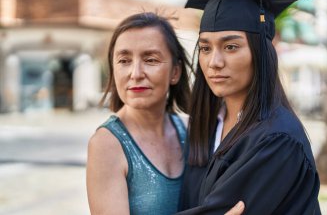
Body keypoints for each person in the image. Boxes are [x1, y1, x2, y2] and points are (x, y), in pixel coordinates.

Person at [177, 0, 321, 214]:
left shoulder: (277, 139)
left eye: (231, 47)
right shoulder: (208, 125)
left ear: (260, 52)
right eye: (205, 48)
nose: (214, 62)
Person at [86, 12, 245, 215]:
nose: (135, 73)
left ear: (175, 72)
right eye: (124, 60)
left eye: (150, 60)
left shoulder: (191, 131)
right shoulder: (107, 145)